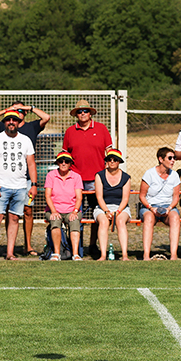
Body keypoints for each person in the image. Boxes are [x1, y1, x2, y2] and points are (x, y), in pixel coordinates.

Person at [0, 101, 51, 256]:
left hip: (22, 184)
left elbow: (31, 163)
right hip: (1, 184)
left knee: (17, 216)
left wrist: (34, 184)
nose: (11, 121)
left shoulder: (28, 133)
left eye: (16, 117)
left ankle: (15, 251)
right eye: (8, 119)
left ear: (20, 120)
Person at [62, 99, 113, 257]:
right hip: (76, 179)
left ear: (90, 113)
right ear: (76, 114)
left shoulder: (101, 129)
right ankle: (76, 247)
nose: (82, 113)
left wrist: (108, 173)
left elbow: (109, 152)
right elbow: (65, 155)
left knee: (97, 213)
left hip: (96, 178)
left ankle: (93, 245)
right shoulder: (70, 131)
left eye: (85, 110)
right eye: (79, 111)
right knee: (75, 213)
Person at [139, 147, 181, 261]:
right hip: (150, 207)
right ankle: (146, 255)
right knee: (148, 218)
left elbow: (176, 197)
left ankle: (173, 255)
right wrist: (151, 208)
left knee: (175, 217)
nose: (173, 160)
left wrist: (169, 208)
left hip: (168, 207)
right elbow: (142, 196)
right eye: (170, 158)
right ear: (161, 159)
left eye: (174, 158)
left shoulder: (175, 176)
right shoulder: (149, 174)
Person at [44, 151, 83, 261]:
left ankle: (75, 254)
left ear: (71, 164)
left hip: (71, 209)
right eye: (61, 161)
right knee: (55, 221)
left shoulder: (76, 177)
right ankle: (57, 253)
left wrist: (75, 211)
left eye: (67, 161)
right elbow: (48, 196)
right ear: (57, 163)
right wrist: (53, 211)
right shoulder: (51, 175)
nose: (64, 164)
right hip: (54, 209)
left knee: (74, 221)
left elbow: (79, 197)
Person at [94, 149, 132, 261]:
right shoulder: (99, 175)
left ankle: (125, 255)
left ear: (119, 162)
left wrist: (118, 212)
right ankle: (103, 255)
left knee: (120, 221)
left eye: (115, 160)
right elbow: (99, 197)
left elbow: (125, 198)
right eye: (109, 159)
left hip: (121, 207)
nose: (112, 162)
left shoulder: (126, 177)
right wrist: (106, 211)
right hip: (102, 207)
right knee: (104, 222)